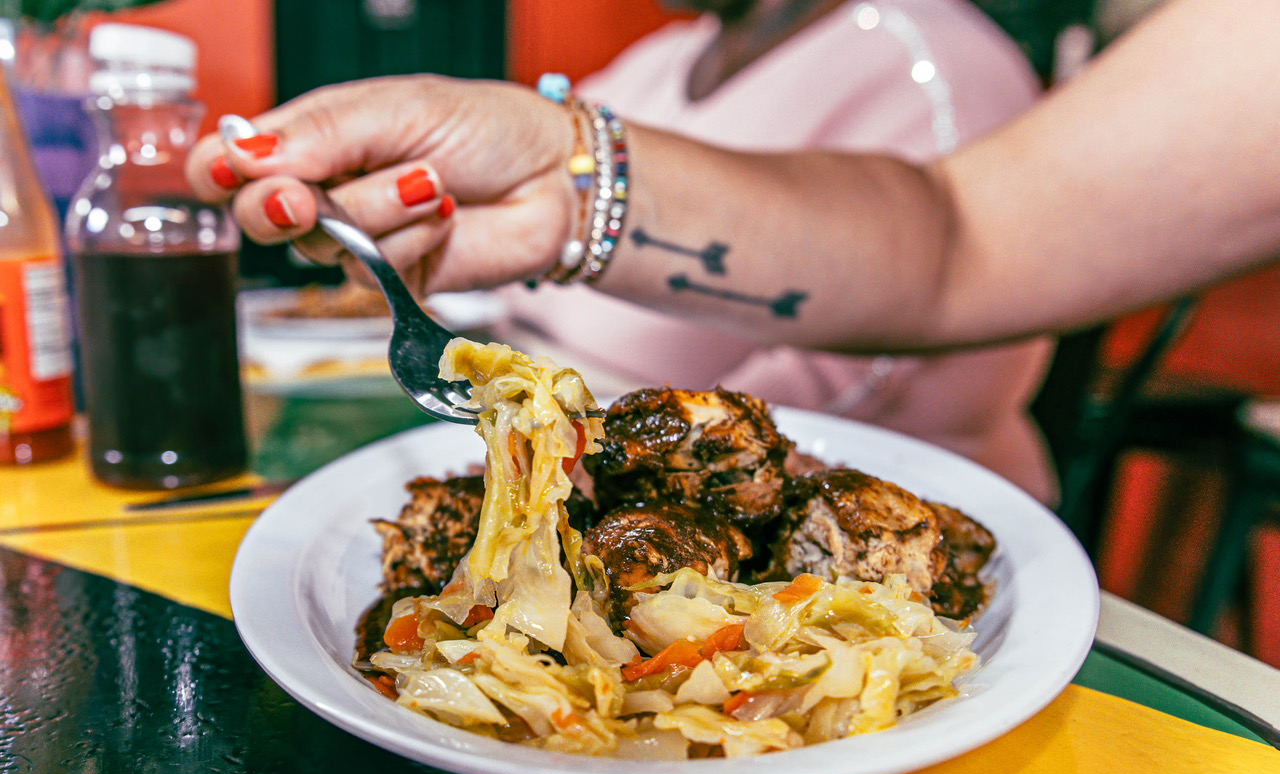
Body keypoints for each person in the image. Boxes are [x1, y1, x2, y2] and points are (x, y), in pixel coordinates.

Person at [187, 0, 1280, 437]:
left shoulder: (929, 55)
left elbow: (931, 361)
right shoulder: (661, 55)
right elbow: (957, 236)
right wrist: (559, 187)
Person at [493, 0, 1056, 502]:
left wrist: (621, 451)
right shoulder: (661, 59)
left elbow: (875, 366)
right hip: (586, 449)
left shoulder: (935, 63)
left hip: (864, 517)